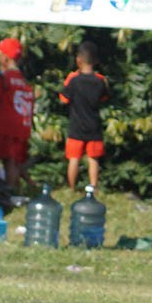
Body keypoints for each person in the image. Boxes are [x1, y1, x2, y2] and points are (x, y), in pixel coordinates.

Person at [0, 38, 34, 190]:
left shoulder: (3, 78)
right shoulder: (24, 82)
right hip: (18, 128)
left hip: (1, 126)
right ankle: (9, 191)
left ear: (5, 58)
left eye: (0, 54)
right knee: (10, 161)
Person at [60, 40, 110, 190]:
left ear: (78, 60)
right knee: (93, 159)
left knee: (74, 159)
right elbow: (105, 98)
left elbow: (63, 99)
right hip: (94, 127)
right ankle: (93, 187)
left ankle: (72, 188)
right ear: (96, 60)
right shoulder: (100, 81)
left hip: (76, 127)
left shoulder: (73, 80)